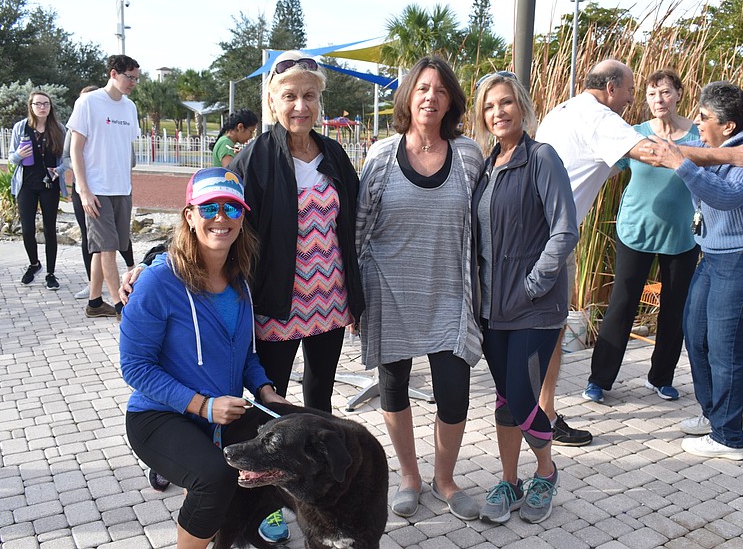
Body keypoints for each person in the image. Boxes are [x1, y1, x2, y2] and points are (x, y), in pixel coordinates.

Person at [534, 59, 743, 445]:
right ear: (611, 88)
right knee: (548, 328)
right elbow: (652, 155)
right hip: (552, 235)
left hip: (561, 233)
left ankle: (540, 411)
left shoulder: (566, 110)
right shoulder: (601, 119)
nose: (633, 100)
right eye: (633, 91)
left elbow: (612, 163)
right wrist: (731, 156)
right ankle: (540, 413)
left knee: (551, 326)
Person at [228, 50, 363, 542]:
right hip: (277, 305)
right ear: (272, 101)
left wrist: (358, 299)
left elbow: (354, 225)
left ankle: (317, 489)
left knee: (319, 398)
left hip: (330, 301)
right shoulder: (254, 158)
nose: (300, 106)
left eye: (309, 96)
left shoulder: (333, 155)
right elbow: (222, 225)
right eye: (289, 96)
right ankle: (261, 500)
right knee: (269, 406)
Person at [120, 167, 286, 549]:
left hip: (217, 415)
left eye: (232, 208)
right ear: (190, 216)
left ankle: (236, 525)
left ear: (242, 217)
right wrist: (203, 405)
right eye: (209, 208)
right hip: (159, 415)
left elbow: (244, 354)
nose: (221, 218)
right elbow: (135, 367)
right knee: (214, 478)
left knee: (284, 446)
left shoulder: (239, 280)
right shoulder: (157, 282)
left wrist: (265, 390)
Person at [355, 56, 484, 521]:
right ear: (408, 96)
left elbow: (484, 223)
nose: (431, 97)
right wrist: (355, 297)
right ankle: (409, 476)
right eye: (423, 88)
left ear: (451, 102)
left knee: (454, 393)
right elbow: (360, 228)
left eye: (441, 91)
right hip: (389, 289)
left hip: (450, 292)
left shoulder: (468, 155)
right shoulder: (381, 155)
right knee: (394, 388)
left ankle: (444, 479)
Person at [650, 81, 743, 460]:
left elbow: (726, 197)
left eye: (704, 117)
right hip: (716, 254)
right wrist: (683, 158)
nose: (696, 122)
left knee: (725, 347)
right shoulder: (720, 150)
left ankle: (728, 437)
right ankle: (714, 415)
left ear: (728, 125)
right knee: (696, 334)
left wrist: (681, 164)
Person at [471, 72, 578, 524]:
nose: (498, 112)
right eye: (489, 106)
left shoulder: (542, 158)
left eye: (506, 102)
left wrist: (533, 284)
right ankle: (509, 480)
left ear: (523, 107)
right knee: (505, 396)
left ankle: (546, 472)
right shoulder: (486, 166)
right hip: (492, 309)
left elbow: (564, 229)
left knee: (521, 393)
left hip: (535, 307)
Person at [584, 69, 700, 404]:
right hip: (636, 229)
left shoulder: (697, 135)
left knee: (674, 309)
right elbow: (607, 168)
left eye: (665, 92)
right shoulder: (634, 134)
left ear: (678, 94)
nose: (658, 100)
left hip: (681, 235)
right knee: (621, 305)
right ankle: (599, 380)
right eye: (651, 94)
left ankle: (661, 378)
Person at [67, 54, 140, 319]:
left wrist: (128, 185)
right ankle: (120, 305)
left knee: (107, 246)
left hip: (121, 188)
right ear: (113, 74)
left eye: (136, 79)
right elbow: (76, 148)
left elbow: (125, 149)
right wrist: (84, 190)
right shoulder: (88, 102)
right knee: (107, 247)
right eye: (129, 77)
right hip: (96, 189)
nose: (133, 83)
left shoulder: (130, 107)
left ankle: (95, 302)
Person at [8, 91, 69, 290]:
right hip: (26, 185)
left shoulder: (59, 129)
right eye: (38, 104)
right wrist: (18, 155)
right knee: (27, 229)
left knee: (50, 229)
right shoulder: (21, 127)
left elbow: (67, 158)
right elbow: (11, 157)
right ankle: (34, 264)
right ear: (31, 106)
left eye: (46, 104)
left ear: (50, 107)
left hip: (49, 185)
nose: (42, 107)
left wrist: (59, 170)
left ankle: (51, 273)